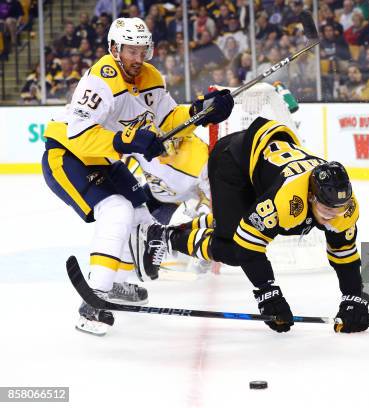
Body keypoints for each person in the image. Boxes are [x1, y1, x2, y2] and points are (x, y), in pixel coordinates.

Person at [40, 17, 233, 336]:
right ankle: (93, 301)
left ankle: (119, 282)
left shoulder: (151, 76)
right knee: (116, 211)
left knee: (143, 216)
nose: (138, 58)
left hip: (104, 158)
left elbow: (168, 117)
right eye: (131, 50)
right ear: (115, 49)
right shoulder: (100, 80)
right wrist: (123, 140)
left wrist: (200, 110)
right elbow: (78, 135)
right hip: (67, 155)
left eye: (143, 50)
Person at [141, 117, 369, 334]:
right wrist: (269, 295)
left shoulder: (345, 206)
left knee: (241, 222)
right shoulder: (285, 201)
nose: (333, 216)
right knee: (231, 248)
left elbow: (344, 253)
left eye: (338, 209)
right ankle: (164, 236)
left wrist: (353, 297)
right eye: (327, 209)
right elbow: (247, 248)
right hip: (232, 160)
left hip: (264, 163)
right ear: (311, 196)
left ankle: (184, 230)